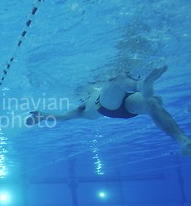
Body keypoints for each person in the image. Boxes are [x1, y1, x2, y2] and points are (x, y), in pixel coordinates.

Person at [26, 66, 191, 156]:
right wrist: (44, 116)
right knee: (118, 80)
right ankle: (141, 85)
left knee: (151, 105)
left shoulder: (92, 93)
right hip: (106, 106)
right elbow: (63, 117)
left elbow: (63, 117)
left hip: (123, 103)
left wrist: (43, 117)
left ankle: (182, 140)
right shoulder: (82, 107)